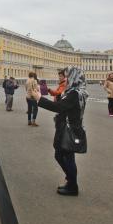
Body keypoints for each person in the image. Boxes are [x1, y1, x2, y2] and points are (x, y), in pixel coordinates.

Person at [37, 66, 88, 196]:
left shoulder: (74, 93)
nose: (65, 79)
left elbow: (58, 107)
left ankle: (72, 186)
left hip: (69, 130)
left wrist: (39, 98)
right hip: (69, 127)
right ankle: (71, 181)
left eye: (67, 76)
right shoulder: (75, 91)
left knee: (66, 157)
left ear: (73, 77)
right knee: (62, 156)